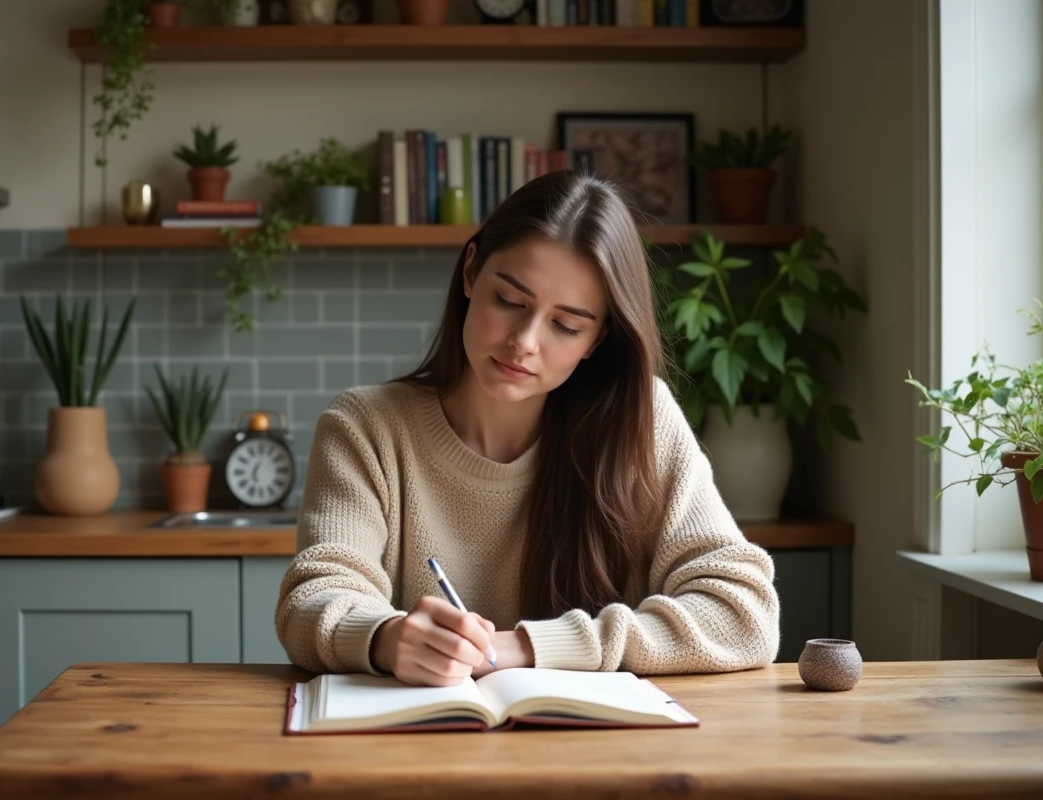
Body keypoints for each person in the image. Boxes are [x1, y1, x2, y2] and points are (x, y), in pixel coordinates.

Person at [274, 169, 781, 688]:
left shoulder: (641, 419)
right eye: (510, 302)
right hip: (422, 754)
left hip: (605, 758)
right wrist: (385, 637)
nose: (525, 342)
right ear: (471, 272)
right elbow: (313, 598)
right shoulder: (365, 427)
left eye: (566, 325)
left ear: (597, 339)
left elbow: (744, 614)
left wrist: (525, 645)